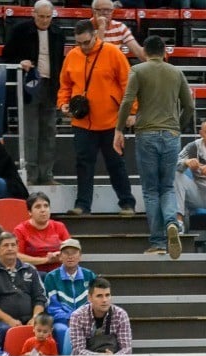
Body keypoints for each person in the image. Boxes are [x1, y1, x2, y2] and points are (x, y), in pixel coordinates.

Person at [114, 34, 194, 257]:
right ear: (165, 52)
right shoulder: (176, 72)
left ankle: (158, 242)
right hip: (171, 134)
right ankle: (171, 222)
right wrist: (178, 126)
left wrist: (119, 129)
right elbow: (189, 106)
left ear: (145, 52)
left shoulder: (138, 71)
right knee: (167, 186)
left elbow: (127, 101)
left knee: (151, 190)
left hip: (146, 133)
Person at [58, 19, 136, 217]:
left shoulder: (113, 52)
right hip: (82, 122)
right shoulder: (72, 56)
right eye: (79, 43)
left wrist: (132, 112)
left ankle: (127, 203)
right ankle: (82, 205)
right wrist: (63, 103)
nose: (83, 47)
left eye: (86, 42)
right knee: (83, 164)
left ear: (95, 35)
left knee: (116, 163)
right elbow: (65, 85)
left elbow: (128, 83)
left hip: (111, 121)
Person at [2, 0, 65, 186]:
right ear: (33, 14)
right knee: (30, 131)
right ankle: (30, 174)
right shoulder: (20, 30)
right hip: (29, 85)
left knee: (49, 132)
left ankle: (46, 174)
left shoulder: (58, 32)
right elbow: (6, 54)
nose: (45, 20)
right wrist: (21, 62)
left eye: (48, 17)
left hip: (51, 85)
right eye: (41, 16)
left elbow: (59, 60)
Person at [0, 232, 48, 347]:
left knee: (46, 328)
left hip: (30, 318)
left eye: (13, 245)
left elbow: (40, 298)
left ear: (17, 247)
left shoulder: (30, 269)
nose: (10, 248)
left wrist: (35, 318)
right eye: (6, 245)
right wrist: (9, 320)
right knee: (5, 331)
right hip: (0, 322)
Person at [44, 238, 96, 341]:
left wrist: (82, 319)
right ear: (60, 257)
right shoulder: (51, 277)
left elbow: (94, 302)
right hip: (62, 321)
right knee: (62, 331)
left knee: (95, 329)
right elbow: (52, 307)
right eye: (66, 253)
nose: (70, 256)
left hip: (86, 320)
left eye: (74, 253)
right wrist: (69, 319)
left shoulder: (90, 275)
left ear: (80, 256)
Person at [68, 276, 133, 355]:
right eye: (99, 296)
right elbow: (77, 350)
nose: (104, 300)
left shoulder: (121, 315)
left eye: (107, 295)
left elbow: (127, 349)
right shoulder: (77, 316)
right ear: (89, 298)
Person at [14, 192, 71, 273]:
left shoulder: (59, 226)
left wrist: (59, 255)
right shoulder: (20, 230)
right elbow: (17, 256)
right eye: (38, 207)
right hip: (32, 274)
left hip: (59, 273)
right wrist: (46, 260)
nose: (43, 210)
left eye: (46, 206)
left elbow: (72, 250)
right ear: (30, 212)